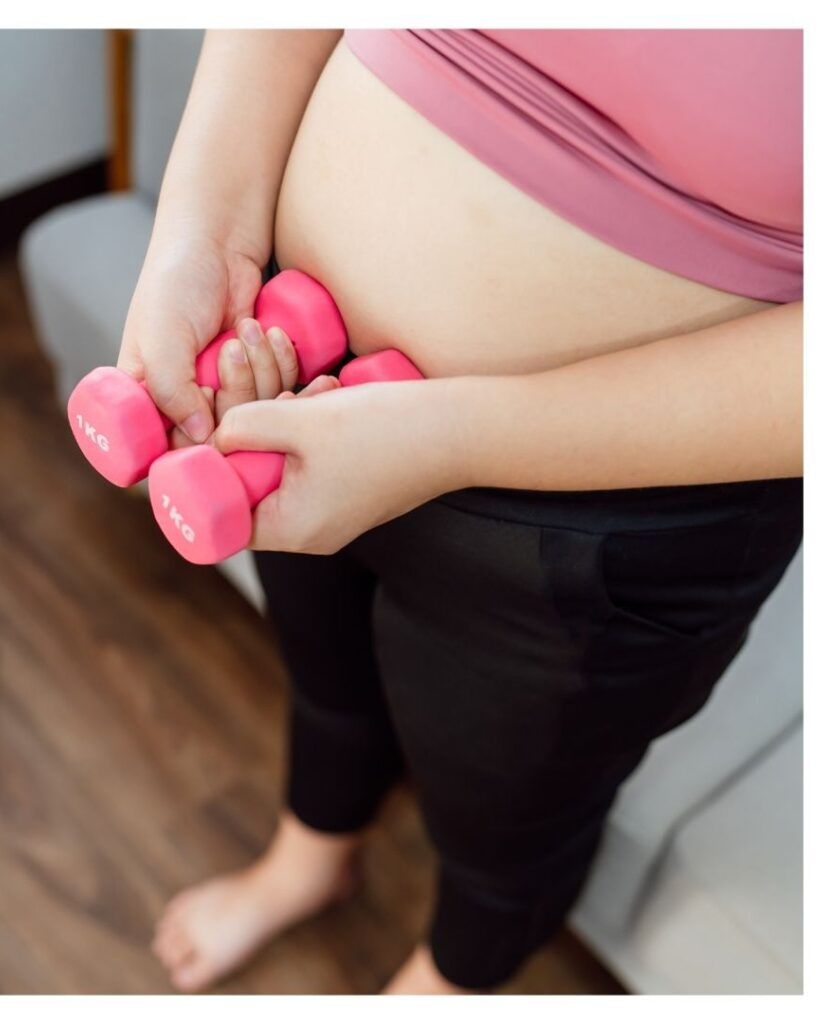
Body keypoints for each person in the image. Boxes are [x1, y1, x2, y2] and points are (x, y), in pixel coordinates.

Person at [126, 30, 803, 994]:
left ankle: (448, 986)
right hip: (283, 375)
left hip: (602, 517)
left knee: (513, 817)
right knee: (325, 669)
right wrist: (202, 233)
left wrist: (449, 438)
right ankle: (312, 854)